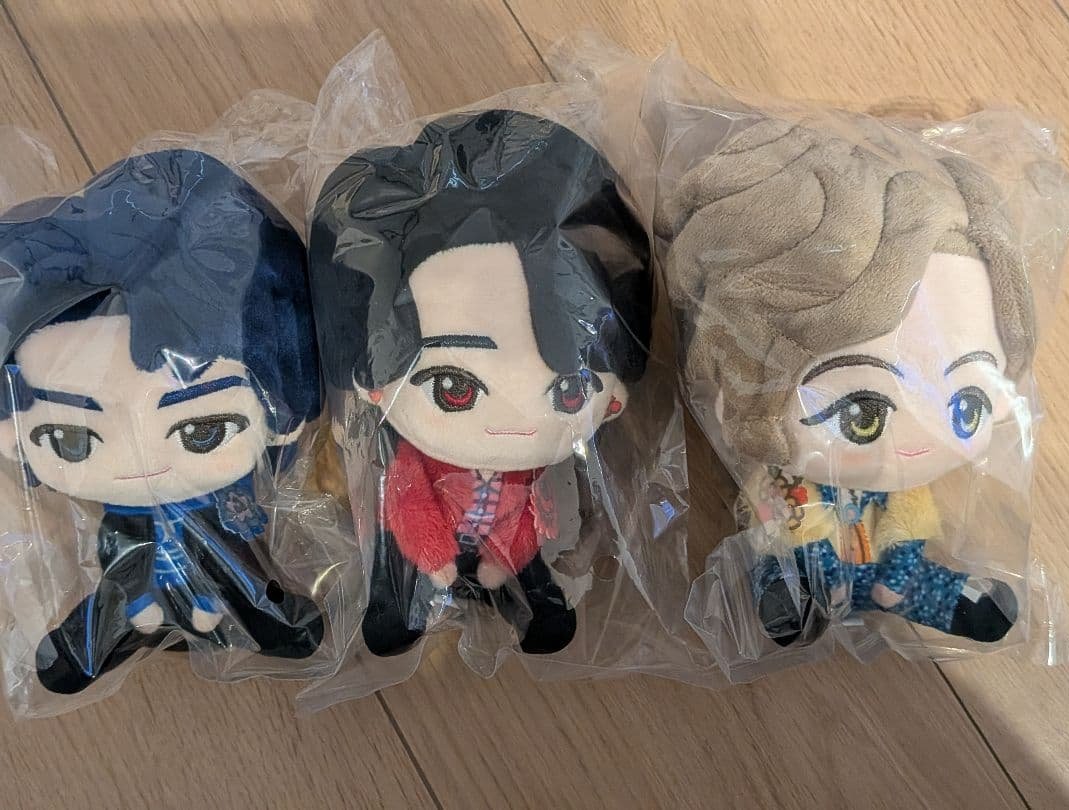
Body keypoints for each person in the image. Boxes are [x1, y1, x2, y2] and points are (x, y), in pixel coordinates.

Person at [665, 118, 1032, 646]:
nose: (915, 442)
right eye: (861, 415)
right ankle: (797, 599)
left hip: (883, 566)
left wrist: (895, 578)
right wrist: (821, 569)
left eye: (966, 405)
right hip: (814, 563)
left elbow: (910, 524)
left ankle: (948, 602)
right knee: (784, 571)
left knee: (911, 577)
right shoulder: (784, 479)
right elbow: (784, 522)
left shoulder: (906, 490)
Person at [309, 109, 652, 656]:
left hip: (495, 541)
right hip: (431, 544)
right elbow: (408, 502)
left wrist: (503, 560)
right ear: (376, 386)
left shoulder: (533, 470)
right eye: (454, 388)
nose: (511, 421)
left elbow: (527, 519)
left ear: (614, 402)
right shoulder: (417, 458)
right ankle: (403, 599)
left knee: (527, 565)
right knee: (395, 556)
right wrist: (433, 557)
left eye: (568, 391)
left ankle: (524, 599)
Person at [0, 149, 325, 693]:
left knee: (232, 565)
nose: (140, 461)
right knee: (129, 578)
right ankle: (126, 622)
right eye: (72, 440)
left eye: (203, 431)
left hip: (211, 525)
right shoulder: (122, 518)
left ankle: (242, 611)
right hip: (134, 544)